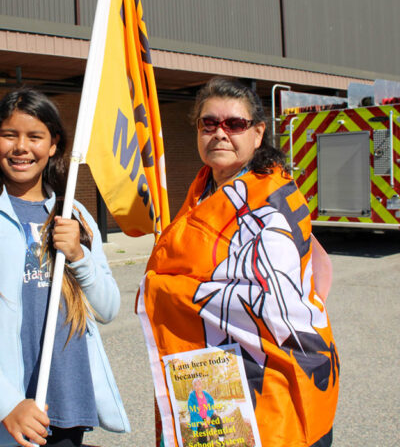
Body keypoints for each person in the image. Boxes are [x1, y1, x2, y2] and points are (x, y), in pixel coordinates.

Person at [138, 78, 339, 447]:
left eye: (234, 124)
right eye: (208, 123)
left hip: (264, 374)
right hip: (211, 371)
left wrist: (160, 289)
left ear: (258, 133)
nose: (220, 133)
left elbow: (275, 304)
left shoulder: (266, 201)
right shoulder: (205, 188)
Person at [0, 88, 129, 447]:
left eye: (35, 136)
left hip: (67, 398)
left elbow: (109, 309)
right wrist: (6, 404)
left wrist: (78, 257)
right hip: (3, 411)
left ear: (54, 145)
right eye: (10, 135)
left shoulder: (77, 214)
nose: (21, 147)